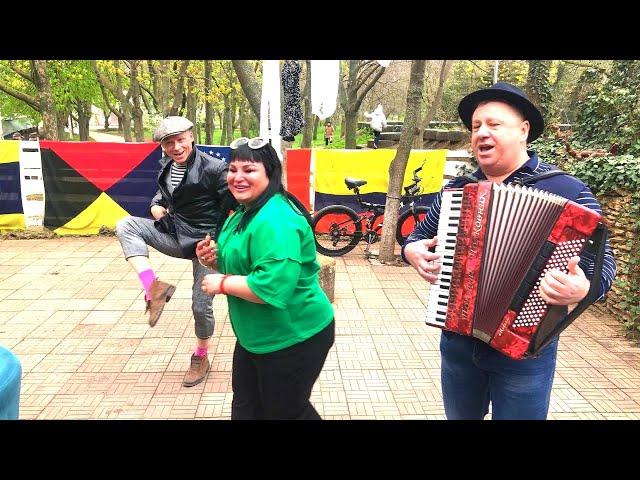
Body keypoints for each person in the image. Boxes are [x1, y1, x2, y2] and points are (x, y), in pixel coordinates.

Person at [402, 82, 617, 420]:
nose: (481, 133)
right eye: (476, 127)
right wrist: (412, 251)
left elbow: (605, 264)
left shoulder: (568, 190)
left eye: (493, 124)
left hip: (524, 352)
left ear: (523, 131)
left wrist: (584, 288)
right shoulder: (458, 190)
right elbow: (417, 236)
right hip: (458, 344)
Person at [196, 136, 335, 420]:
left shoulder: (277, 220)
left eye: (249, 170)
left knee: (285, 413)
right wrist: (214, 257)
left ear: (270, 173)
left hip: (293, 336)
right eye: (233, 169)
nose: (238, 177)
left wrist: (221, 283)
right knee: (246, 408)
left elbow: (270, 286)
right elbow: (246, 260)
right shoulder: (246, 211)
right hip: (255, 337)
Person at [115, 116, 236, 387]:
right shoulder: (166, 165)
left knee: (200, 305)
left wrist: (220, 243)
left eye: (180, 140)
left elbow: (233, 208)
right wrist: (156, 205)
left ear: (192, 136)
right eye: (168, 143)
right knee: (126, 225)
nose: (176, 147)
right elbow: (165, 194)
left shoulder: (215, 168)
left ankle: (201, 356)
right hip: (177, 235)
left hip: (207, 244)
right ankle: (153, 287)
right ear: (162, 146)